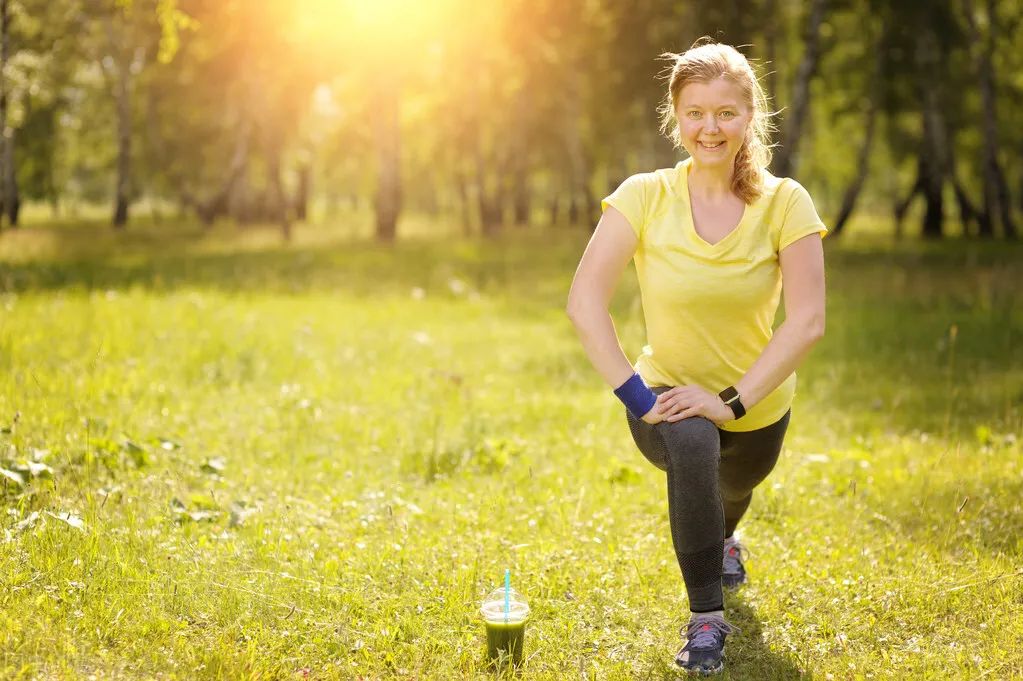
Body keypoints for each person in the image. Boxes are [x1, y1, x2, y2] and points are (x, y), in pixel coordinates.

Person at [566, 41, 827, 675]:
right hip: (669, 395)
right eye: (696, 112)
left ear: (749, 118)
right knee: (692, 446)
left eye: (726, 113)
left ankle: (726, 537)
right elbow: (583, 301)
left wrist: (732, 400)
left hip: (758, 407)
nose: (710, 127)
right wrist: (637, 395)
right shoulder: (645, 196)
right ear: (676, 117)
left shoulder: (785, 202)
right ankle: (706, 616)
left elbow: (809, 320)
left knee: (730, 488)